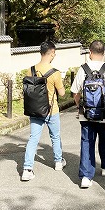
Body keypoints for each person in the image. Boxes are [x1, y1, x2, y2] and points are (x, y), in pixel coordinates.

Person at [71, 40, 105, 188]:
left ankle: (85, 176)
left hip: (87, 114)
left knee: (86, 142)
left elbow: (75, 92)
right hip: (104, 115)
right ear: (104, 53)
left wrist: (80, 107)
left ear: (90, 52)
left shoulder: (83, 69)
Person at [21, 41, 66, 181]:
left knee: (33, 138)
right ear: (52, 53)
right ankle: (58, 162)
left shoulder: (31, 70)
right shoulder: (55, 73)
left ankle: (27, 169)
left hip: (35, 110)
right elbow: (63, 93)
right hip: (51, 110)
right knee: (55, 136)